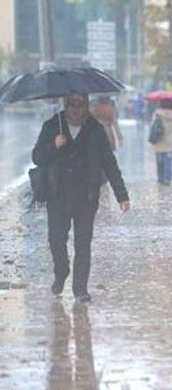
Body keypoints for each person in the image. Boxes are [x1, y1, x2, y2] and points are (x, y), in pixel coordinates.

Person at [32, 94, 131, 303]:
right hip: (57, 195)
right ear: (65, 105)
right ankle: (61, 272)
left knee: (83, 243)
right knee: (56, 240)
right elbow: (37, 157)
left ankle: (80, 288)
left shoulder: (95, 129)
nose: (76, 109)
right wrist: (54, 146)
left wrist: (121, 195)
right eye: (71, 105)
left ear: (86, 105)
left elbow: (109, 163)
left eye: (80, 104)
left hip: (86, 196)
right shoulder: (52, 126)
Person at [151, 99, 172, 185]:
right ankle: (167, 180)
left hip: (159, 142)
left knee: (160, 164)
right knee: (168, 164)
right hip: (170, 142)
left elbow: (152, 125)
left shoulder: (156, 114)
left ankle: (160, 179)